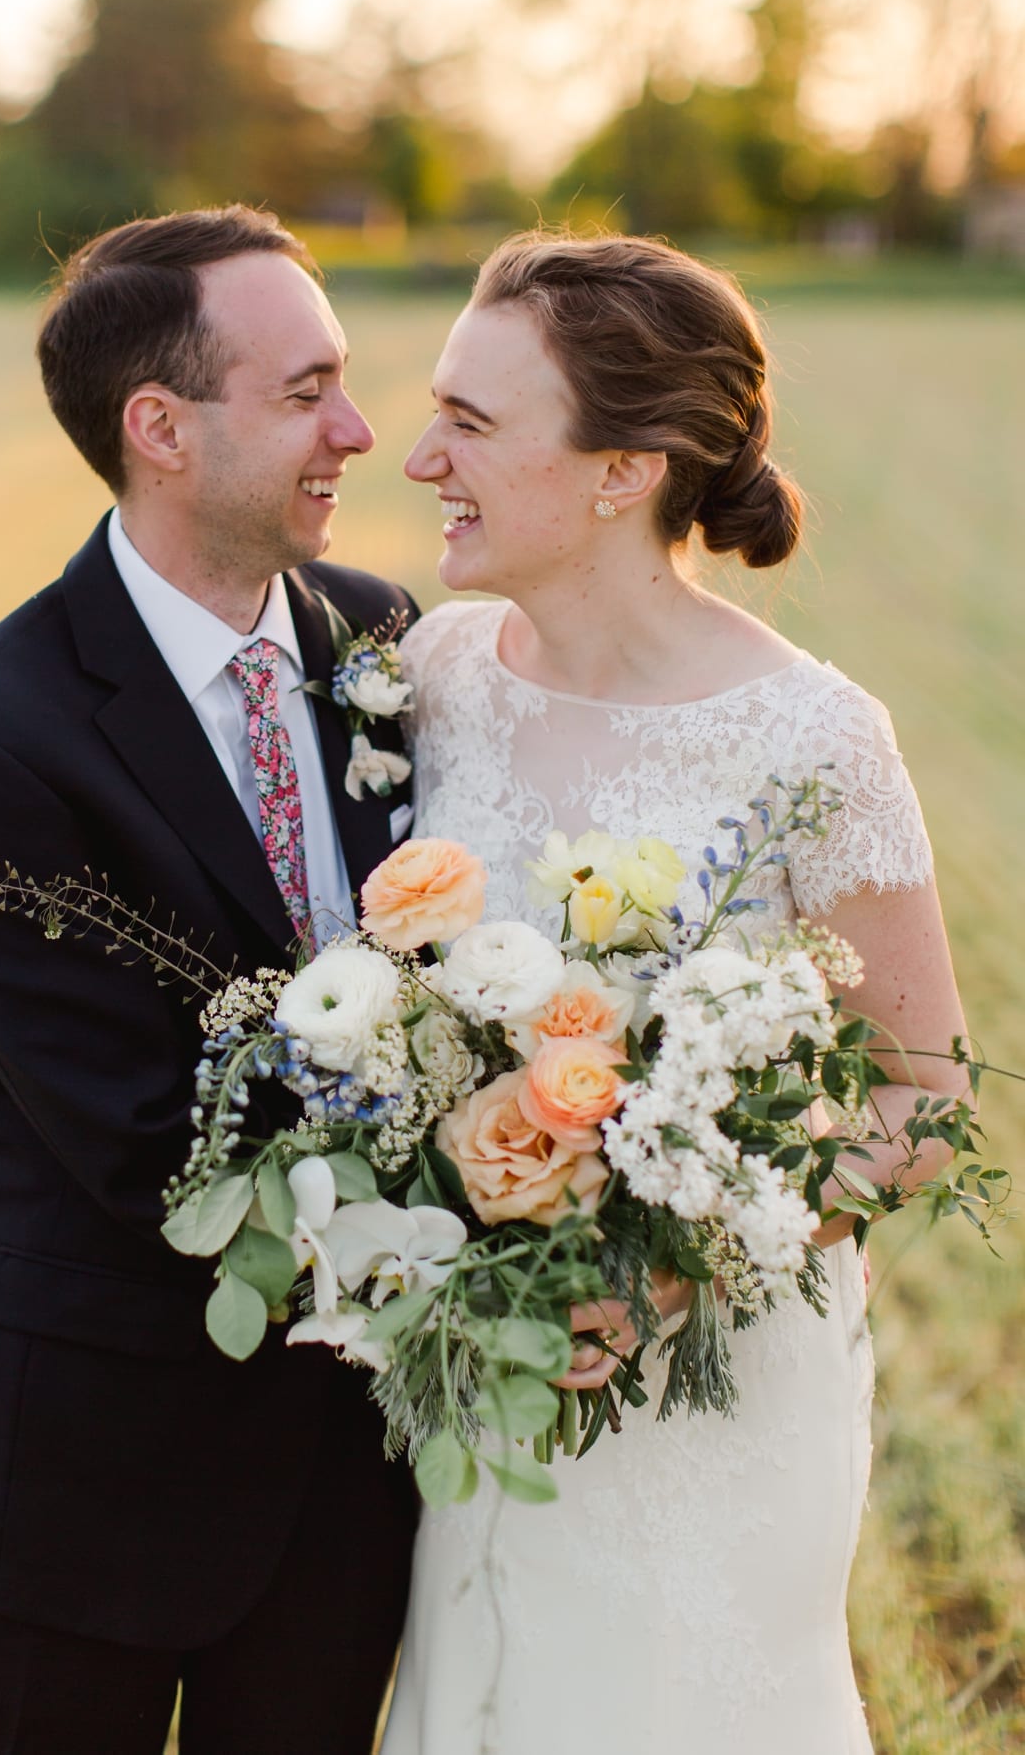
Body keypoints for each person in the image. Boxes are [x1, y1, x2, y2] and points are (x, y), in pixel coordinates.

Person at [381, 232, 967, 1755]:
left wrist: (671, 1265)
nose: (418, 456)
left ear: (621, 471)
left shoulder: (812, 740)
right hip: (489, 1369)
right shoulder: (434, 674)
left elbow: (924, 1100)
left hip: (714, 1389)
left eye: (472, 424)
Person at [0, 206, 419, 1754]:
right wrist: (493, 1203)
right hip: (71, 1486)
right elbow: (151, 1139)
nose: (358, 431)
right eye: (306, 391)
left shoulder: (385, 644)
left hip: (337, 1483)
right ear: (160, 429)